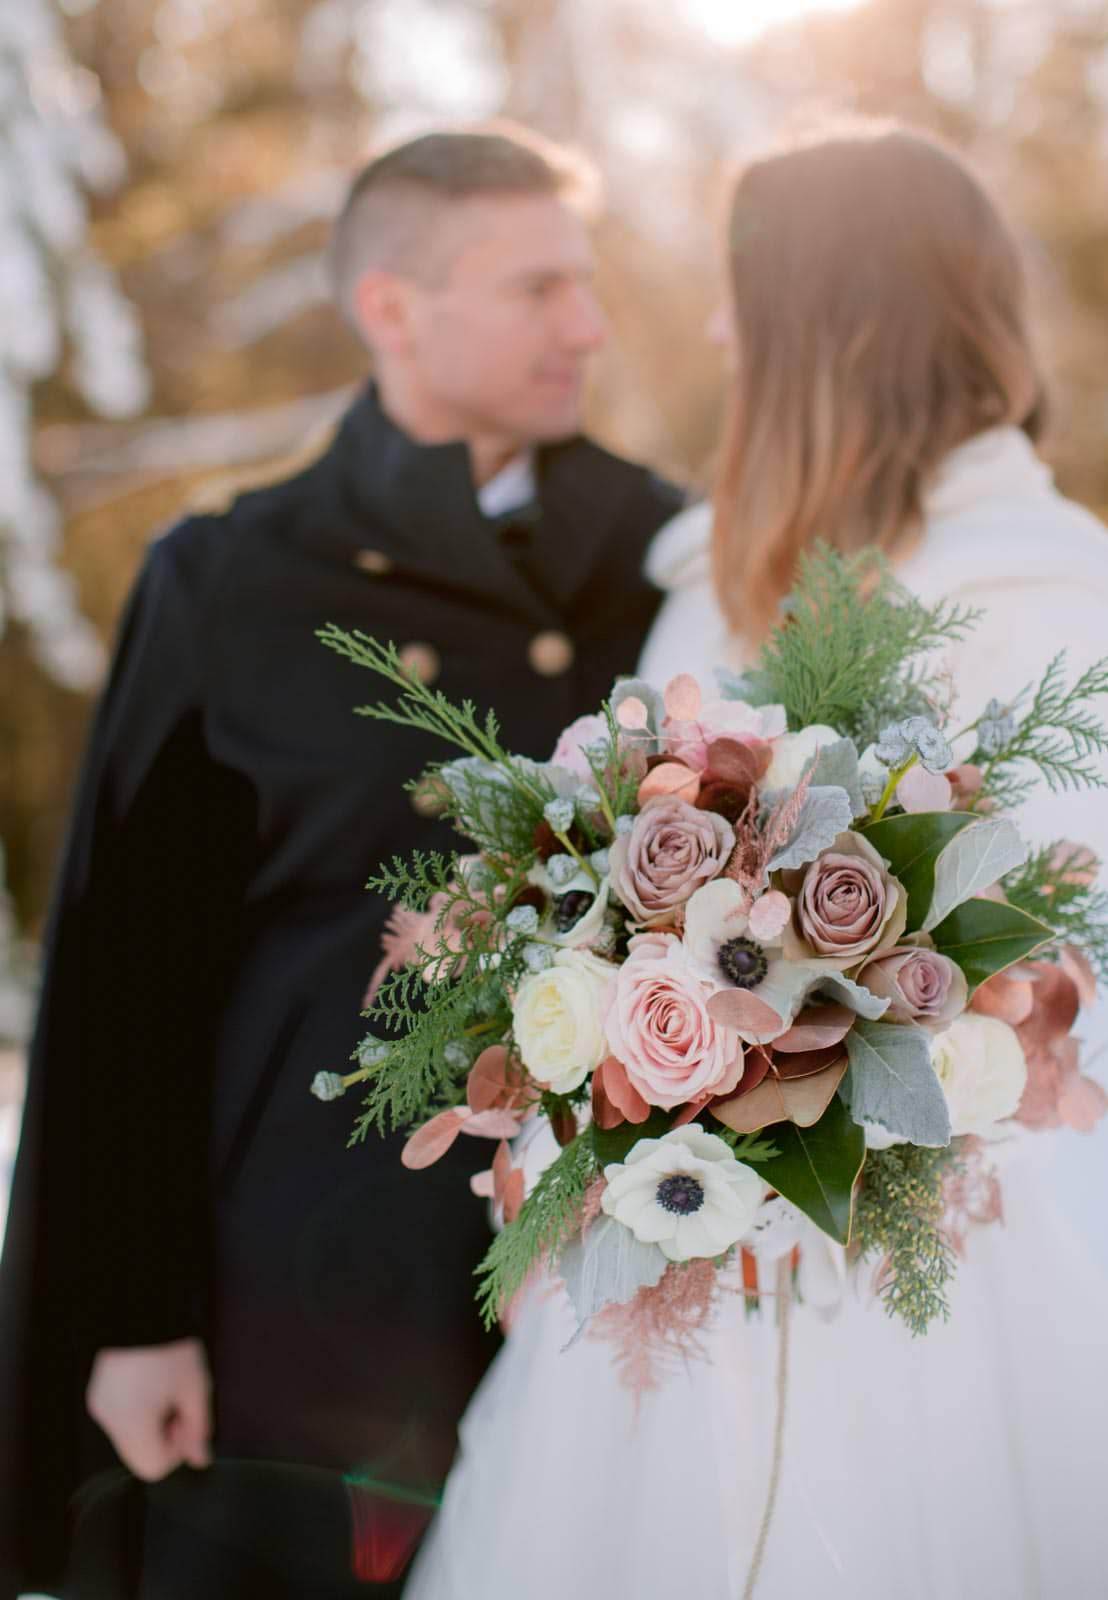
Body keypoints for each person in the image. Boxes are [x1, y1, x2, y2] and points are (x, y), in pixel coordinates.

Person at [406, 122, 1108, 1600]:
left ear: (826, 323)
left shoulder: (1052, 594)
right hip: (669, 1248)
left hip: (893, 1270)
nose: (715, 329)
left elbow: (990, 956)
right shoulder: (715, 575)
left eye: (738, 294)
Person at [0, 125, 683, 1600]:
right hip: (306, 1291)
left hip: (613, 1273)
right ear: (394, 307)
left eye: (588, 281)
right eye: (537, 288)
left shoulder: (665, 555)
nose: (591, 326)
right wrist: (128, 1316)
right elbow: (127, 980)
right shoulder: (234, 574)